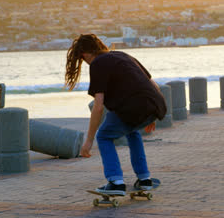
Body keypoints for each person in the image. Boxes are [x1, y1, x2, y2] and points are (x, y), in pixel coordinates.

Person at [64, 34, 166, 196]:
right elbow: (151, 83)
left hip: (134, 107)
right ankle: (145, 179)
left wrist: (89, 140)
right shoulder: (122, 55)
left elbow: (98, 107)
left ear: (84, 54)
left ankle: (116, 182)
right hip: (154, 103)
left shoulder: (97, 63)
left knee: (104, 136)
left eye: (82, 59)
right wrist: (150, 113)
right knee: (132, 131)